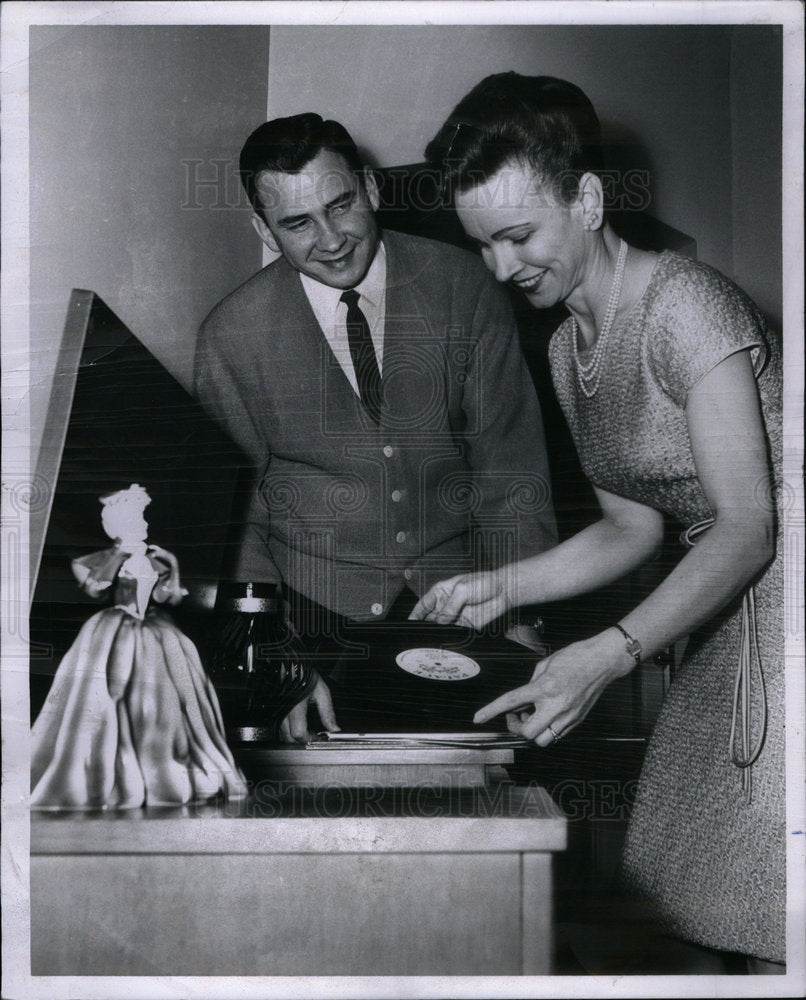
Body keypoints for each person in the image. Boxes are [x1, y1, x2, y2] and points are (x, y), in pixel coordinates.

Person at [411, 73, 784, 970]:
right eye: (483, 245)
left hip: (783, 600)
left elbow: (747, 526)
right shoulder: (566, 342)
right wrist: (497, 586)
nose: (502, 268)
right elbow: (633, 526)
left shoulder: (685, 305)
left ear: (586, 198)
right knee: (691, 885)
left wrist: (608, 653)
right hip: (728, 607)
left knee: (765, 901)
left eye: (517, 235)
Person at [194, 113, 558, 742]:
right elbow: (235, 522)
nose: (331, 238)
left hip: (465, 605)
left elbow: (510, 466)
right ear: (262, 228)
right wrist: (272, 657)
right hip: (308, 625)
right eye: (297, 223)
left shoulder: (466, 286)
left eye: (341, 205)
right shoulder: (230, 335)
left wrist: (523, 623)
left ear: (372, 188)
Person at [30, 484, 248, 809]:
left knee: (165, 700)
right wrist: (119, 560)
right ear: (118, 526)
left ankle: (159, 767)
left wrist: (172, 567)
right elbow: (96, 588)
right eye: (136, 519)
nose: (143, 524)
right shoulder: (107, 558)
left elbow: (166, 598)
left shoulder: (155, 558)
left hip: (156, 630)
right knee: (109, 690)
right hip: (117, 627)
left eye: (143, 518)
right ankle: (108, 770)